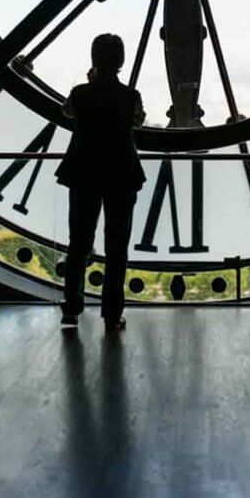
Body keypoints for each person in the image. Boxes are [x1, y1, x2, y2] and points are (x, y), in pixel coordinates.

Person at [56, 34, 145, 331]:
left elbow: (68, 111)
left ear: (94, 58)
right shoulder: (130, 96)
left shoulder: (79, 94)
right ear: (121, 61)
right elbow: (137, 121)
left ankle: (72, 308)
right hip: (121, 172)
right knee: (117, 247)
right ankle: (112, 313)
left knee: (79, 243)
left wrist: (89, 81)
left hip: (84, 171)